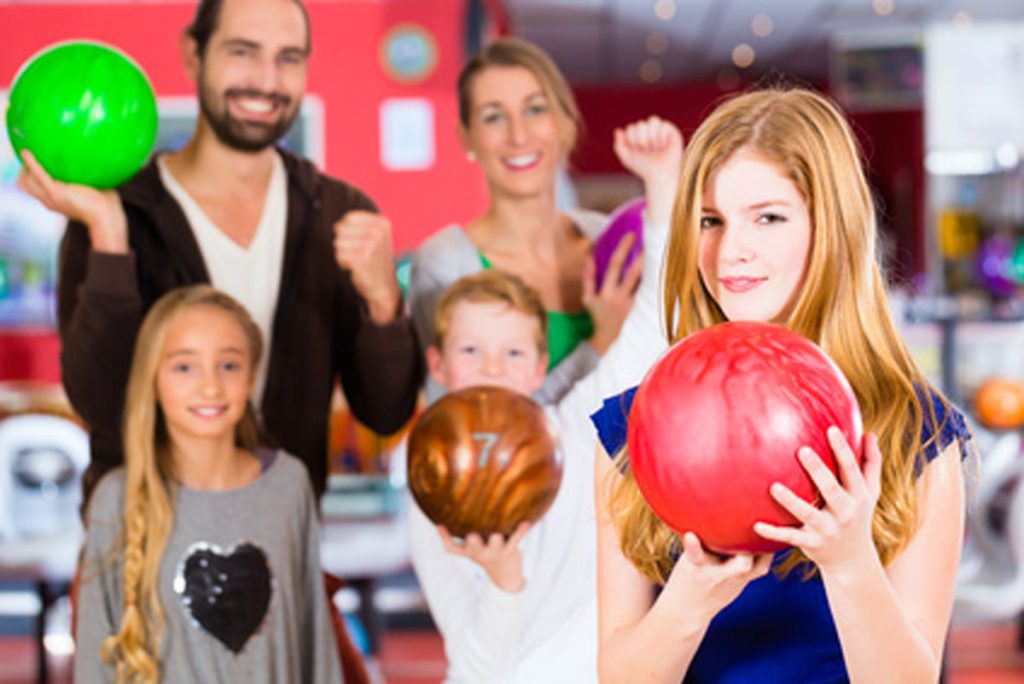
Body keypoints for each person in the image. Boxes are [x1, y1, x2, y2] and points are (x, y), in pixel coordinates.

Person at [591, 87, 975, 683]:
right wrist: (691, 600)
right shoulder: (631, 428)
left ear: (832, 229)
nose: (730, 252)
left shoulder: (914, 432)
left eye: (768, 217)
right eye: (710, 221)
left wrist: (849, 564)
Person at [16, 0, 422, 506]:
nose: (267, 80)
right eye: (242, 51)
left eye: (289, 58)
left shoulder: (339, 212)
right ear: (194, 53)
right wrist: (108, 236)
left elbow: (385, 412)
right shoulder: (116, 213)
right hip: (140, 548)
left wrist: (385, 304)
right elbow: (102, 402)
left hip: (280, 542)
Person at [408, 117, 682, 683]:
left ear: (538, 369)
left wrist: (661, 181)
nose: (490, 367)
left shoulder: (578, 429)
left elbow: (657, 318)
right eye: (471, 349)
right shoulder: (429, 469)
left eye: (511, 354)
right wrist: (505, 581)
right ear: (437, 365)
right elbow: (477, 666)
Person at [74, 285, 340, 683]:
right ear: (153, 379)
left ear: (251, 376)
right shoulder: (117, 498)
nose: (211, 386)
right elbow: (94, 663)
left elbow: (315, 643)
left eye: (229, 365)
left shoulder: (288, 485)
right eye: (185, 366)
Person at [410, 37, 678, 405]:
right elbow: (465, 418)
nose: (518, 135)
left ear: (564, 123)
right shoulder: (445, 262)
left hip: (630, 461)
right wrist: (600, 344)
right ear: (467, 137)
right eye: (494, 116)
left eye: (535, 109)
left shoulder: (608, 236)